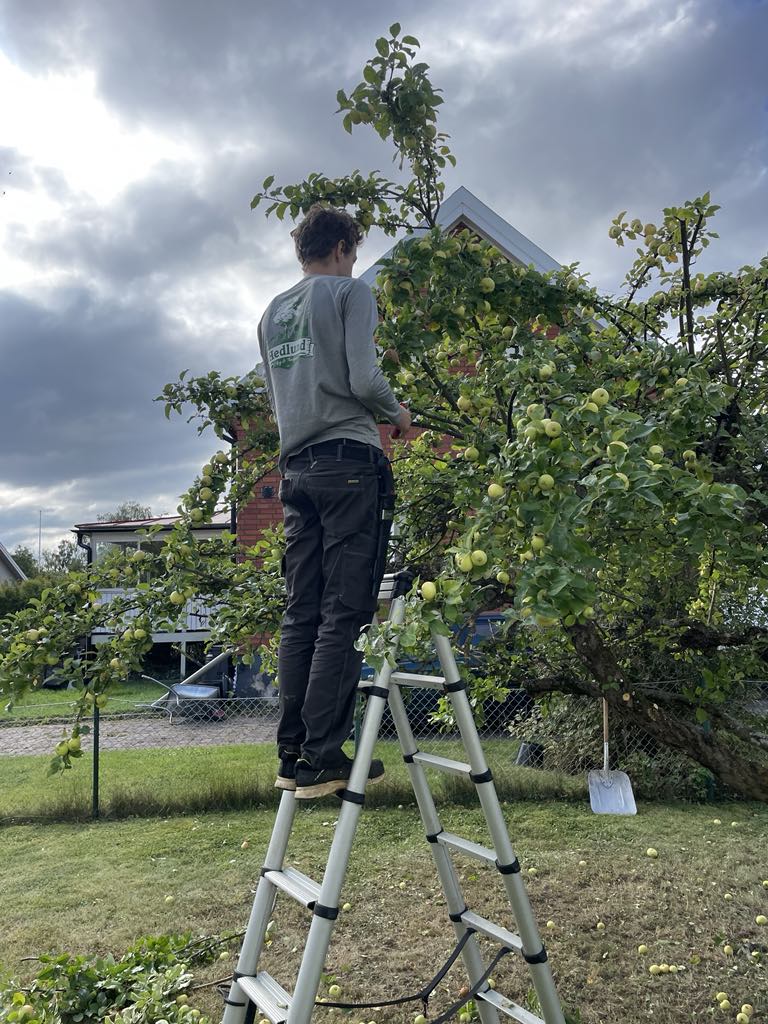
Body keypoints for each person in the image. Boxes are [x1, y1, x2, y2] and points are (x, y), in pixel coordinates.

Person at [257, 204, 411, 798]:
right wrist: (397, 415)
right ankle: (323, 755)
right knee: (345, 611)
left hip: (296, 471)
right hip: (348, 464)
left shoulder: (272, 313)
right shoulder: (351, 294)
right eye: (354, 252)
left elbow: (278, 401)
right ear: (344, 247)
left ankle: (292, 753)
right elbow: (365, 380)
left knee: (302, 611)